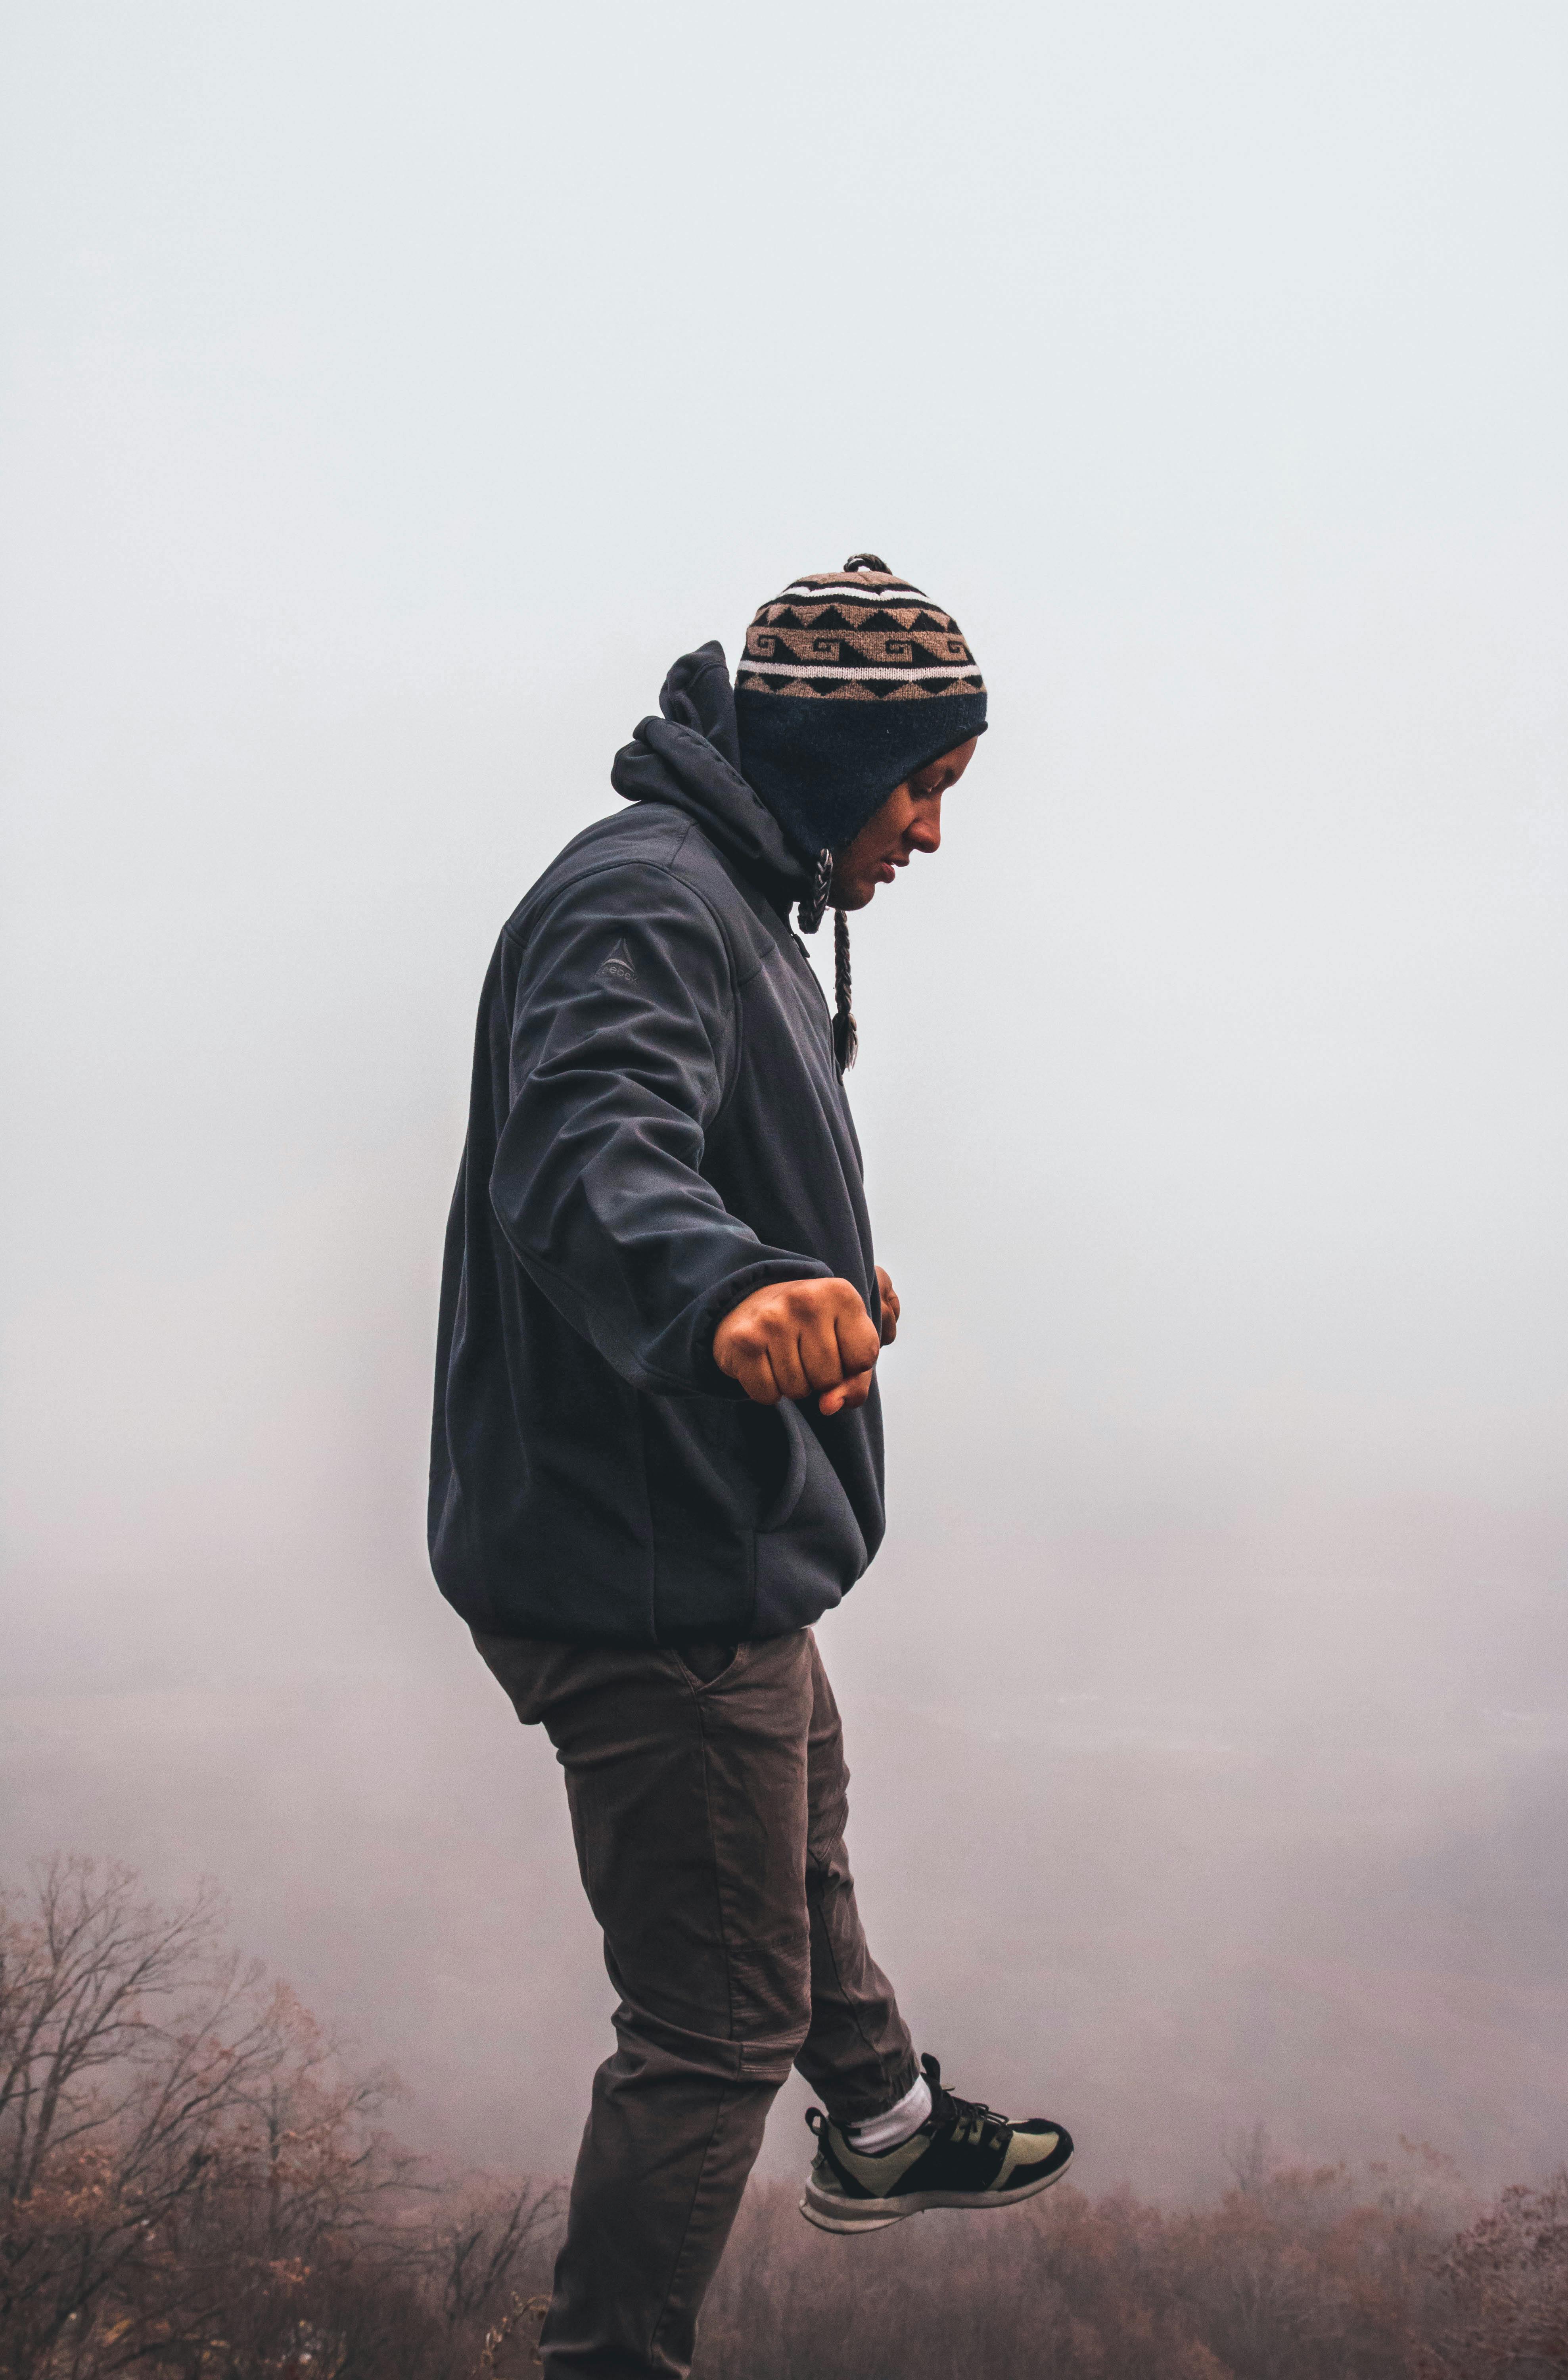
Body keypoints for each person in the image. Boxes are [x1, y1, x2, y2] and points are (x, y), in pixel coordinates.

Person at [429, 557, 1075, 2378]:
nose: (930, 835)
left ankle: (876, 2124)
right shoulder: (646, 905)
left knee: (796, 1813)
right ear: (817, 760)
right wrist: (723, 1291)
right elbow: (584, 1153)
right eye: (921, 785)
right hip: (633, 1562)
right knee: (710, 2024)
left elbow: (683, 1153)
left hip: (697, 1522)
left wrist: (802, 1269)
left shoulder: (732, 896)